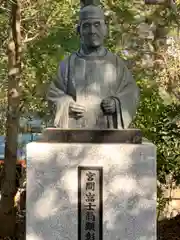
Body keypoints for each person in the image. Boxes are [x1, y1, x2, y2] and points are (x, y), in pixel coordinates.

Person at [47, 2, 139, 129]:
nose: (92, 31)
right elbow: (54, 94)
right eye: (86, 26)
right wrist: (67, 105)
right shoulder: (67, 65)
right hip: (75, 133)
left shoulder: (116, 64)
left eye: (97, 25)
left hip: (108, 135)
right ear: (78, 30)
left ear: (105, 29)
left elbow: (131, 93)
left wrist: (116, 103)